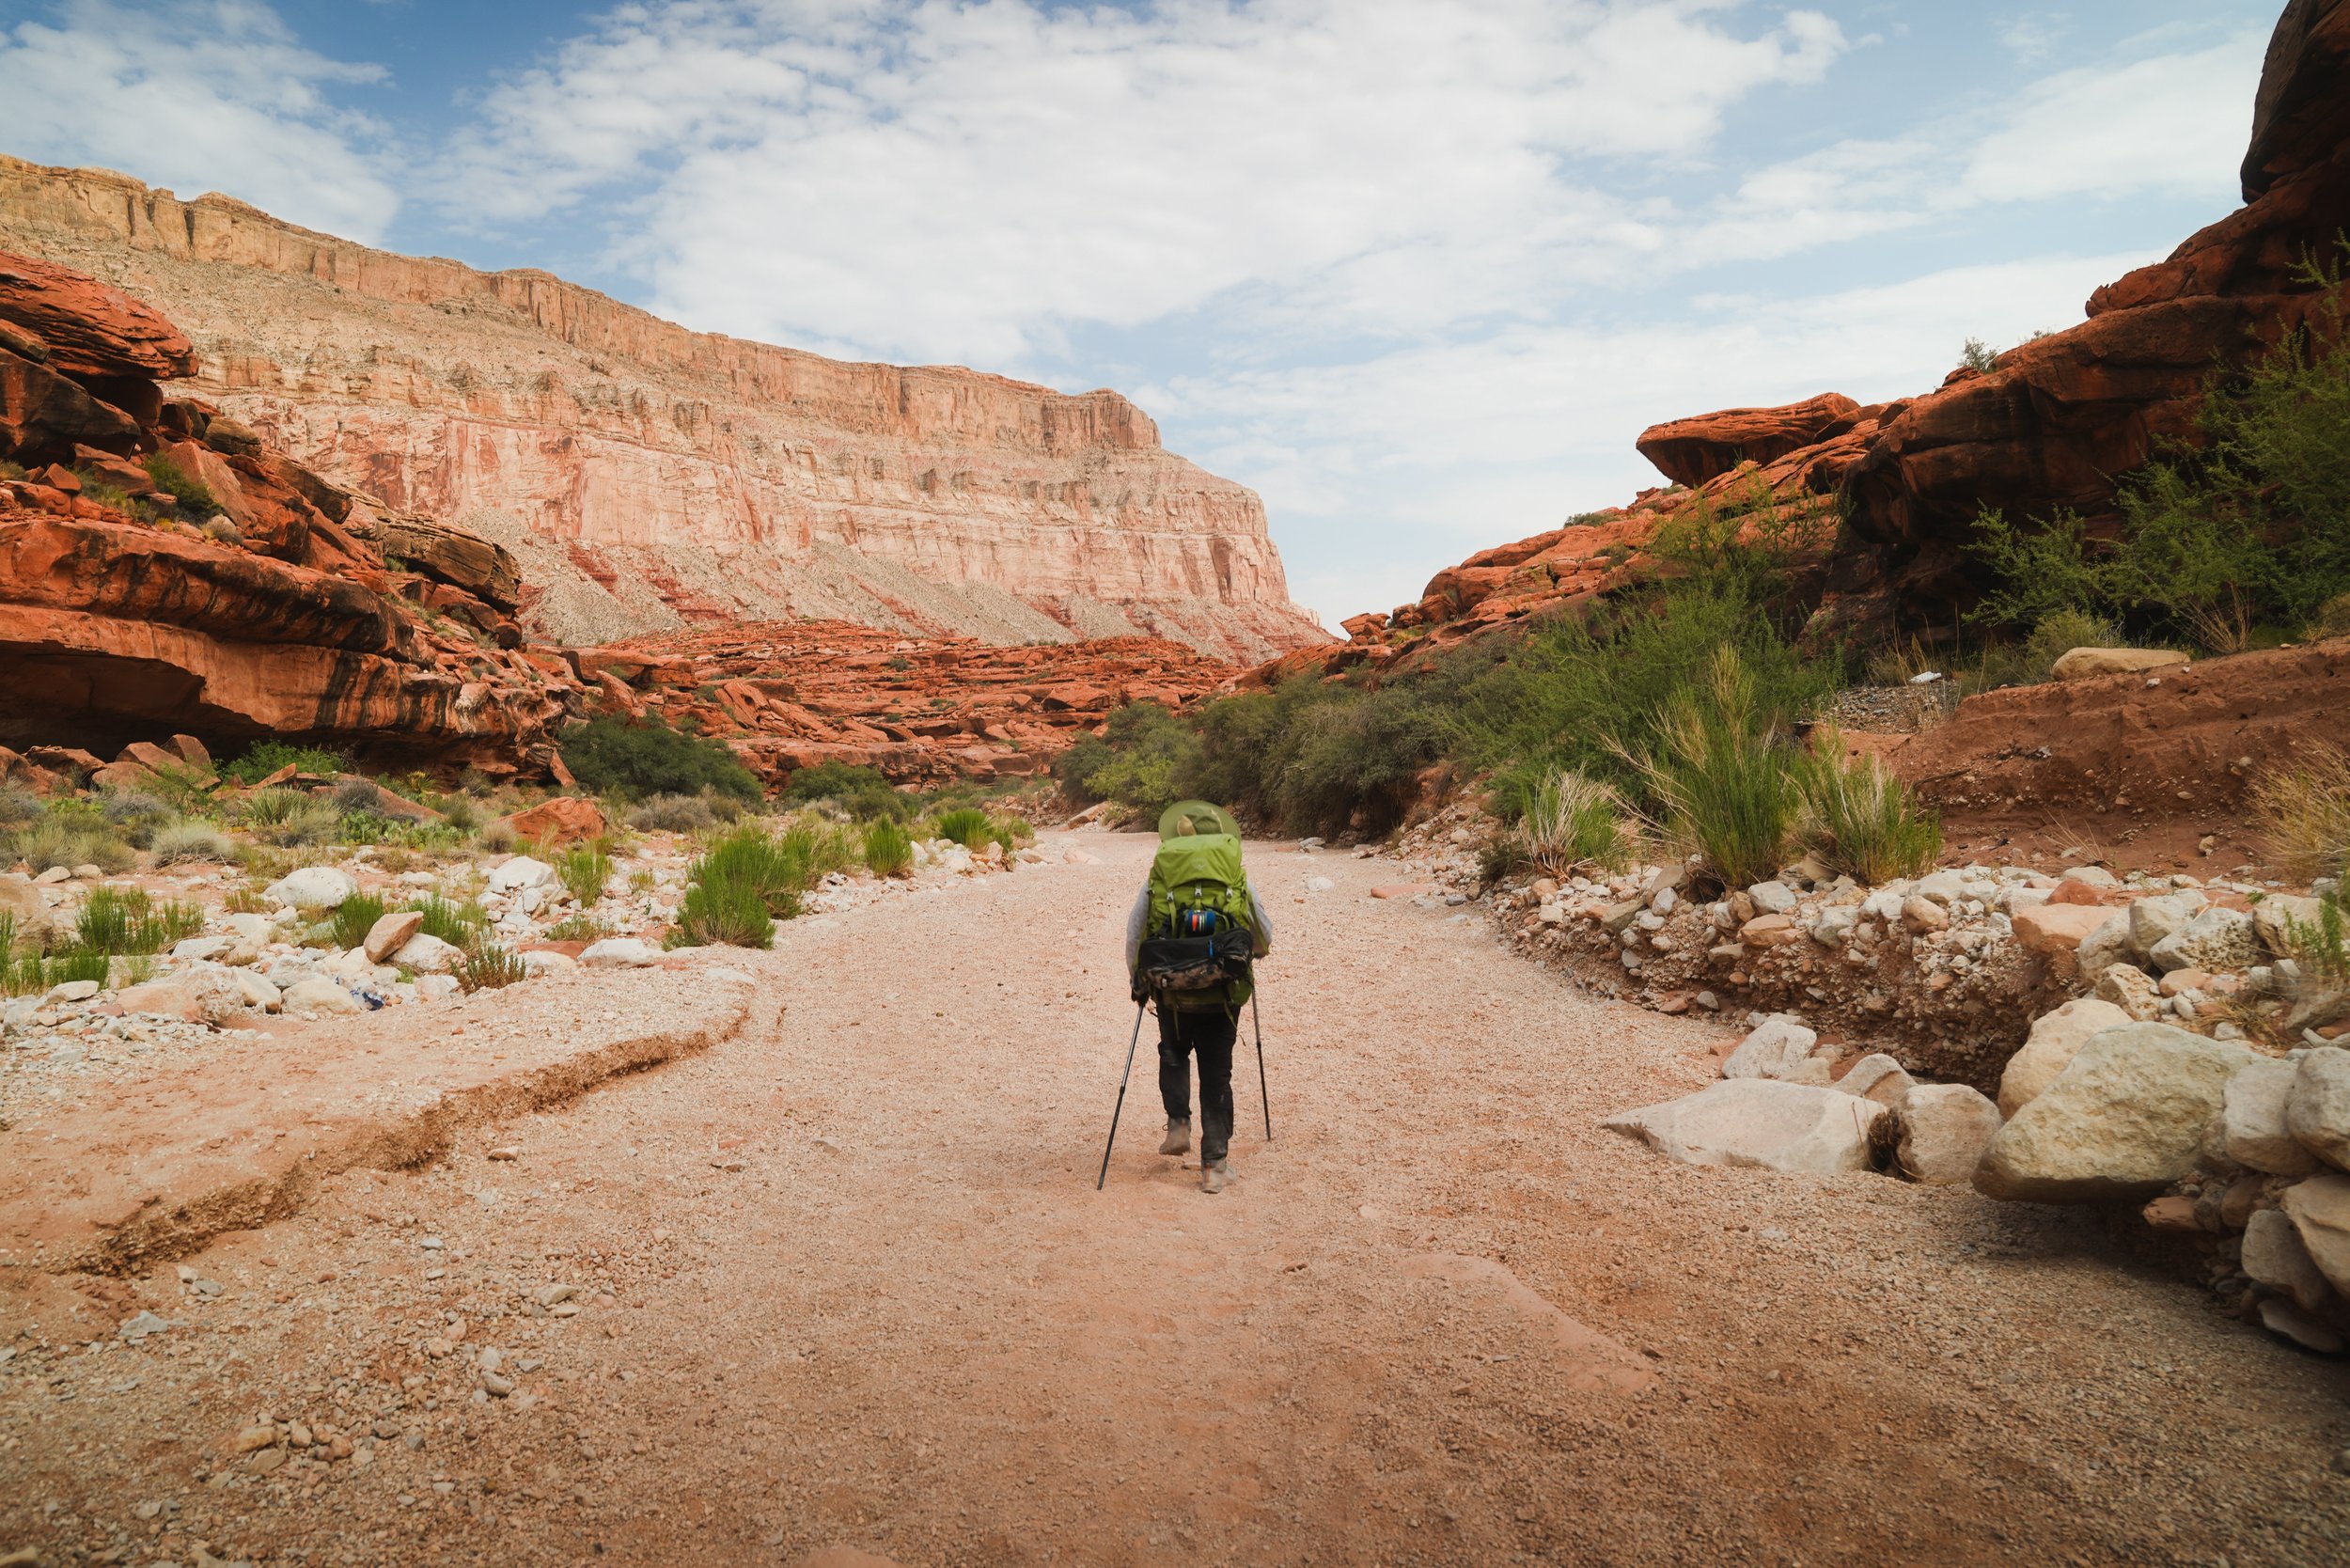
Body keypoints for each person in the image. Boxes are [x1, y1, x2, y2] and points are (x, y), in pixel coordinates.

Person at [1123, 802, 1271, 1194]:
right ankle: (1214, 1166)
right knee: (1216, 1072)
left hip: (1172, 992)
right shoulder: (1234, 875)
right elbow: (1263, 933)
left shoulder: (1161, 876)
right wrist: (1250, 953)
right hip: (1221, 993)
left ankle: (1178, 1125)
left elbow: (1136, 930)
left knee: (1173, 1051)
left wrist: (1138, 979)